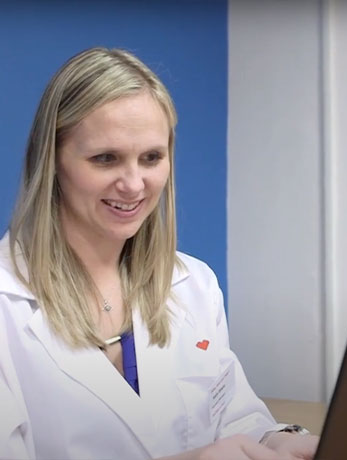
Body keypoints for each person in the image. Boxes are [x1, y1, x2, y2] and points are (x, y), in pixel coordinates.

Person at [0, 47, 319, 460]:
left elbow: (233, 420)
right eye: (106, 158)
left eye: (151, 157)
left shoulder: (192, 284)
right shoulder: (8, 301)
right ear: (53, 162)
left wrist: (280, 441)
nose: (134, 184)